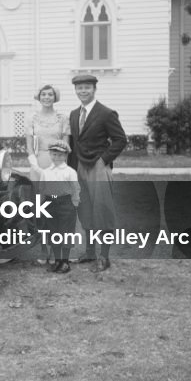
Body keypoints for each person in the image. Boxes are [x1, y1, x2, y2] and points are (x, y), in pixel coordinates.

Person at [68, 73, 127, 271]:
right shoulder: (74, 114)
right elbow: (75, 143)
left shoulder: (106, 113)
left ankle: (104, 257)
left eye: (87, 87)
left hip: (99, 168)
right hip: (79, 168)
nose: (83, 91)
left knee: (102, 211)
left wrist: (104, 160)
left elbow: (120, 140)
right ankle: (90, 252)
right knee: (85, 211)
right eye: (79, 88)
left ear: (94, 89)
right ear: (75, 90)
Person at [25, 84, 68, 264]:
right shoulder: (32, 119)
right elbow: (30, 147)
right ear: (39, 97)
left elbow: (66, 146)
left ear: (55, 97)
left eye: (50, 94)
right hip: (39, 165)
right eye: (44, 94)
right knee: (41, 210)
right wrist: (35, 165)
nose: (47, 97)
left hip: (57, 164)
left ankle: (58, 250)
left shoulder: (62, 118)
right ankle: (44, 251)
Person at [27, 140, 80, 273]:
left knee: (66, 233)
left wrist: (74, 204)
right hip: (50, 204)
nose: (57, 158)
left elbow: (75, 189)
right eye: (54, 155)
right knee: (54, 233)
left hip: (65, 204)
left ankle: (65, 262)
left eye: (60, 155)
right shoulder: (46, 172)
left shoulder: (70, 172)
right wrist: (41, 206)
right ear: (50, 155)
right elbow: (43, 189)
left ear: (66, 156)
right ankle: (57, 261)